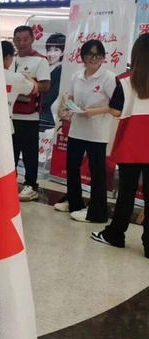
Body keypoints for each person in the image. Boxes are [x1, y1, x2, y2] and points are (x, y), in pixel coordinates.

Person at [92, 33, 149, 256]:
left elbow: (116, 111)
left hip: (130, 144)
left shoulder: (124, 81)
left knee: (126, 192)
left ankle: (115, 234)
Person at [53, 40, 116, 223]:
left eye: (97, 55)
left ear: (103, 57)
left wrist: (94, 111)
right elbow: (71, 97)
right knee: (72, 167)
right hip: (77, 129)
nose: (93, 58)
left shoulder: (109, 78)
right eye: (89, 54)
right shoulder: (77, 76)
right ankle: (74, 203)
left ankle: (97, 211)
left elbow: (116, 107)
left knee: (97, 172)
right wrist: (67, 107)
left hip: (97, 132)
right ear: (83, 57)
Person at [11, 25, 51, 202]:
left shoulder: (40, 61)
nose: (22, 43)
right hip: (9, 114)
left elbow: (45, 86)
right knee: (10, 152)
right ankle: (9, 182)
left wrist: (28, 83)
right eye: (18, 39)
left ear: (32, 39)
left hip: (29, 116)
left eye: (25, 39)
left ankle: (31, 184)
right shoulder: (10, 59)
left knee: (29, 153)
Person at [2, 41, 36, 134]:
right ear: (9, 57)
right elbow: (34, 89)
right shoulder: (16, 78)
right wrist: (27, 76)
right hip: (4, 126)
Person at [39, 33, 65, 131]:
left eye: (56, 50)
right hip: (37, 114)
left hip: (45, 118)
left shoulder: (60, 71)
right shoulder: (45, 67)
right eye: (49, 50)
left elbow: (50, 97)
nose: (51, 54)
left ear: (63, 52)